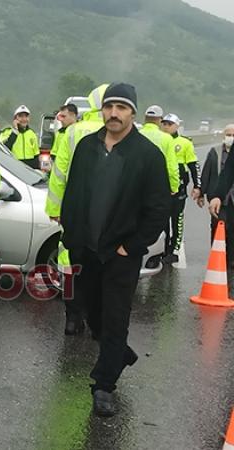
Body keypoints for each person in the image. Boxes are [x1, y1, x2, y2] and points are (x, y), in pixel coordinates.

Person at [61, 83, 171, 417]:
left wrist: (134, 245)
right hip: (86, 250)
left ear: (132, 113)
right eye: (109, 107)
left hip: (121, 252)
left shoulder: (147, 155)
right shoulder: (85, 147)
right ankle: (118, 352)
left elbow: (159, 207)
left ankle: (104, 385)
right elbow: (73, 192)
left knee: (114, 317)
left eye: (121, 108)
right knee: (89, 311)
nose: (114, 113)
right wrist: (70, 233)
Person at [45, 84, 108, 336]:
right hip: (110, 213)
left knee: (71, 263)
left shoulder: (73, 132)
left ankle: (73, 319)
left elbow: (58, 174)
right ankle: (99, 324)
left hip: (76, 210)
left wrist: (54, 207)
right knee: (104, 266)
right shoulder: (123, 131)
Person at [160, 113, 201, 264]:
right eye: (164, 123)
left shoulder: (185, 143)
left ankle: (174, 250)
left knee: (177, 218)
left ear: (177, 126)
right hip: (161, 186)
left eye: (169, 124)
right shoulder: (159, 140)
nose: (166, 127)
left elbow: (193, 165)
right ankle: (162, 249)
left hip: (179, 187)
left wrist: (198, 186)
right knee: (160, 219)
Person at [200, 124, 234, 243]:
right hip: (219, 199)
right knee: (218, 229)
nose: (231, 138)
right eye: (228, 135)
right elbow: (206, 173)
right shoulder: (215, 152)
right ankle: (217, 258)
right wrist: (201, 192)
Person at [139, 105, 180, 196]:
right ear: (160, 120)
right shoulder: (167, 138)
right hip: (157, 186)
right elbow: (171, 166)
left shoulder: (135, 135)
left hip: (136, 185)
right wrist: (174, 187)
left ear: (145, 118)